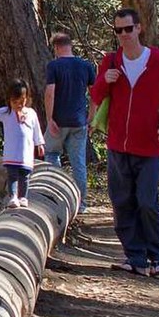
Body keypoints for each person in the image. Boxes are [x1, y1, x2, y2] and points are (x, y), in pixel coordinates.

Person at [89, 8, 159, 277]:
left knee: (146, 201)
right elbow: (96, 95)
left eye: (128, 29)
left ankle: (158, 254)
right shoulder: (111, 62)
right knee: (121, 201)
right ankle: (135, 257)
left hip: (149, 147)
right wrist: (105, 81)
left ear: (139, 28)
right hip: (118, 145)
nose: (124, 35)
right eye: (118, 31)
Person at [43, 32, 96, 212]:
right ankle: (81, 204)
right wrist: (91, 118)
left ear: (56, 47)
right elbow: (95, 94)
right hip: (79, 121)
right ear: (70, 45)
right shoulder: (85, 66)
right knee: (78, 163)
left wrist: (50, 119)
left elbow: (50, 92)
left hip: (58, 121)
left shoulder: (54, 66)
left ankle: (55, 196)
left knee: (51, 154)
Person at [0, 80, 44, 208]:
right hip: (11, 153)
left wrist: (40, 144)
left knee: (25, 176)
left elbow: (37, 130)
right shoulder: (5, 113)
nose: (19, 105)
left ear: (26, 98)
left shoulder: (31, 113)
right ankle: (13, 196)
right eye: (15, 102)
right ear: (9, 100)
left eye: (22, 101)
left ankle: (23, 197)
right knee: (12, 176)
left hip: (26, 153)